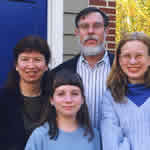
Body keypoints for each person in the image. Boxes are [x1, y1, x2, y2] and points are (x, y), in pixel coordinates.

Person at [50, 7, 114, 130]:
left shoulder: (122, 68)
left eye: (97, 26)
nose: (90, 31)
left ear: (106, 31)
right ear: (77, 32)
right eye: (84, 26)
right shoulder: (59, 73)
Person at [25, 70, 100, 150]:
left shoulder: (93, 135)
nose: (68, 100)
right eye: (61, 94)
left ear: (82, 99)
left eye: (74, 94)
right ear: (52, 100)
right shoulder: (40, 136)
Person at [0, 35, 51, 150]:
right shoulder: (2, 100)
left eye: (37, 59)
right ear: (16, 65)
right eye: (25, 59)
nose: (31, 66)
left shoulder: (56, 100)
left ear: (46, 65)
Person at [101, 32, 150, 150]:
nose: (132, 62)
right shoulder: (110, 97)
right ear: (119, 60)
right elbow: (111, 144)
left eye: (139, 56)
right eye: (127, 56)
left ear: (149, 60)